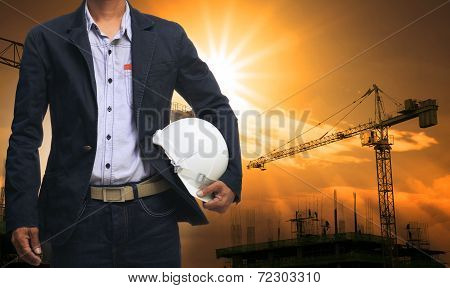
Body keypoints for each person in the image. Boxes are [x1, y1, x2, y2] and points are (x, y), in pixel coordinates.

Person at [5, 0, 242, 268]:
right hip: (74, 217)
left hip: (153, 218)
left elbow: (215, 106)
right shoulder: (46, 39)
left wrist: (231, 175)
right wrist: (22, 212)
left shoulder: (169, 36)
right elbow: (25, 133)